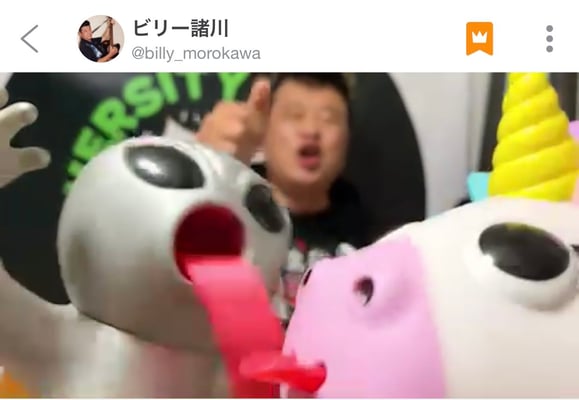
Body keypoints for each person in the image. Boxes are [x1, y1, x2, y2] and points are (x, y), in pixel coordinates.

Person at [197, 73, 374, 324]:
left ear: (347, 137)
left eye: (328, 119)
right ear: (265, 131)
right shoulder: (232, 213)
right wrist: (208, 169)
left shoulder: (373, 241)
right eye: (294, 115)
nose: (311, 130)